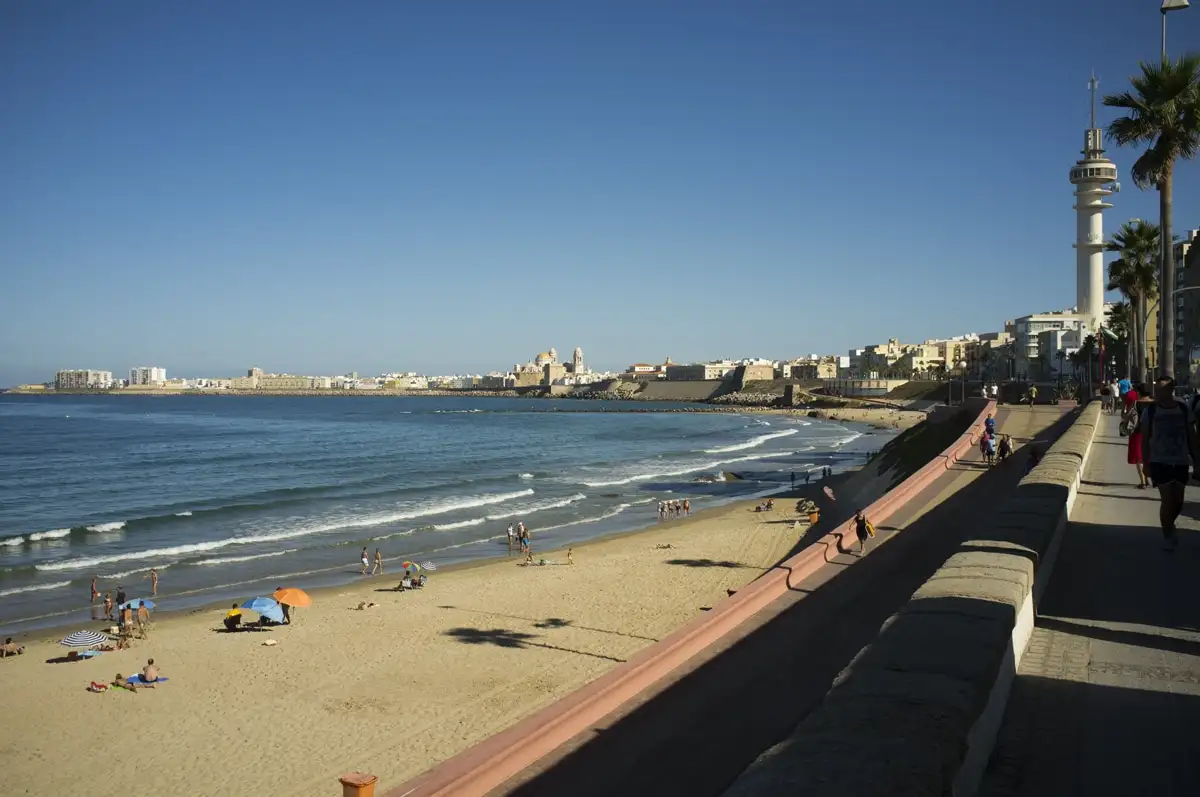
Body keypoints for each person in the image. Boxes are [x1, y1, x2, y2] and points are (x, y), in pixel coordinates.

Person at [1139, 376, 1198, 551]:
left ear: (1171, 390)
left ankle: (1169, 524)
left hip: (1180, 461)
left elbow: (1192, 436)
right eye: (1157, 388)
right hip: (1159, 461)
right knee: (1167, 500)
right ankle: (1168, 533)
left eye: (1162, 389)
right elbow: (1144, 439)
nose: (1157, 392)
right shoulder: (1150, 411)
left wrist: (1197, 461)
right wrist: (1146, 463)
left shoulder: (1183, 409)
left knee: (1178, 501)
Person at [1127, 407, 1149, 489]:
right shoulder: (1153, 404)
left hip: (1137, 433)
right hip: (1149, 432)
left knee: (1139, 458)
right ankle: (1147, 479)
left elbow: (1127, 416)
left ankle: (1143, 482)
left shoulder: (1136, 405)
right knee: (1146, 457)